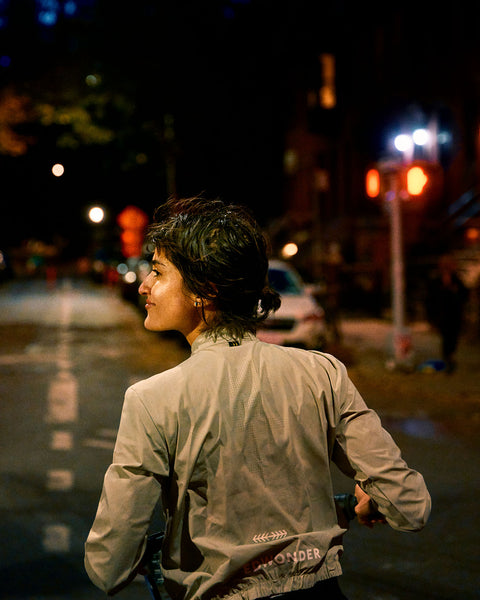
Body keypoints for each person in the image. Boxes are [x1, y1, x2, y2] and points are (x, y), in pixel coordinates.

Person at [85, 196, 431, 599]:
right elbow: (409, 505)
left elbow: (108, 566)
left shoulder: (153, 400)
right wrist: (370, 499)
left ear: (205, 290)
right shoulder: (323, 373)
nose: (144, 284)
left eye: (158, 272)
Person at [426, 254, 468, 373]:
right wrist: (431, 317)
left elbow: (464, 294)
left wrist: (454, 290)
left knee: (453, 337)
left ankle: (449, 356)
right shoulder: (436, 281)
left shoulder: (456, 280)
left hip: (455, 314)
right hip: (442, 315)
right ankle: (448, 358)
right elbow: (431, 299)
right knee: (447, 337)